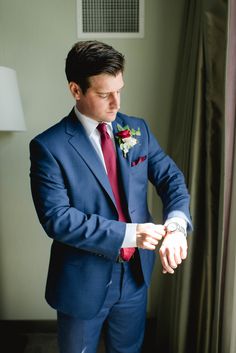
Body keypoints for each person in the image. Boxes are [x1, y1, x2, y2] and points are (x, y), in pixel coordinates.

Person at [29, 40, 192, 353]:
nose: (116, 104)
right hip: (81, 281)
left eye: (120, 90)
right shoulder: (48, 147)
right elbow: (57, 219)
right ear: (76, 90)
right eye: (105, 94)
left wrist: (176, 226)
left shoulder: (136, 130)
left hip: (135, 277)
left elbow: (171, 178)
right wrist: (131, 234)